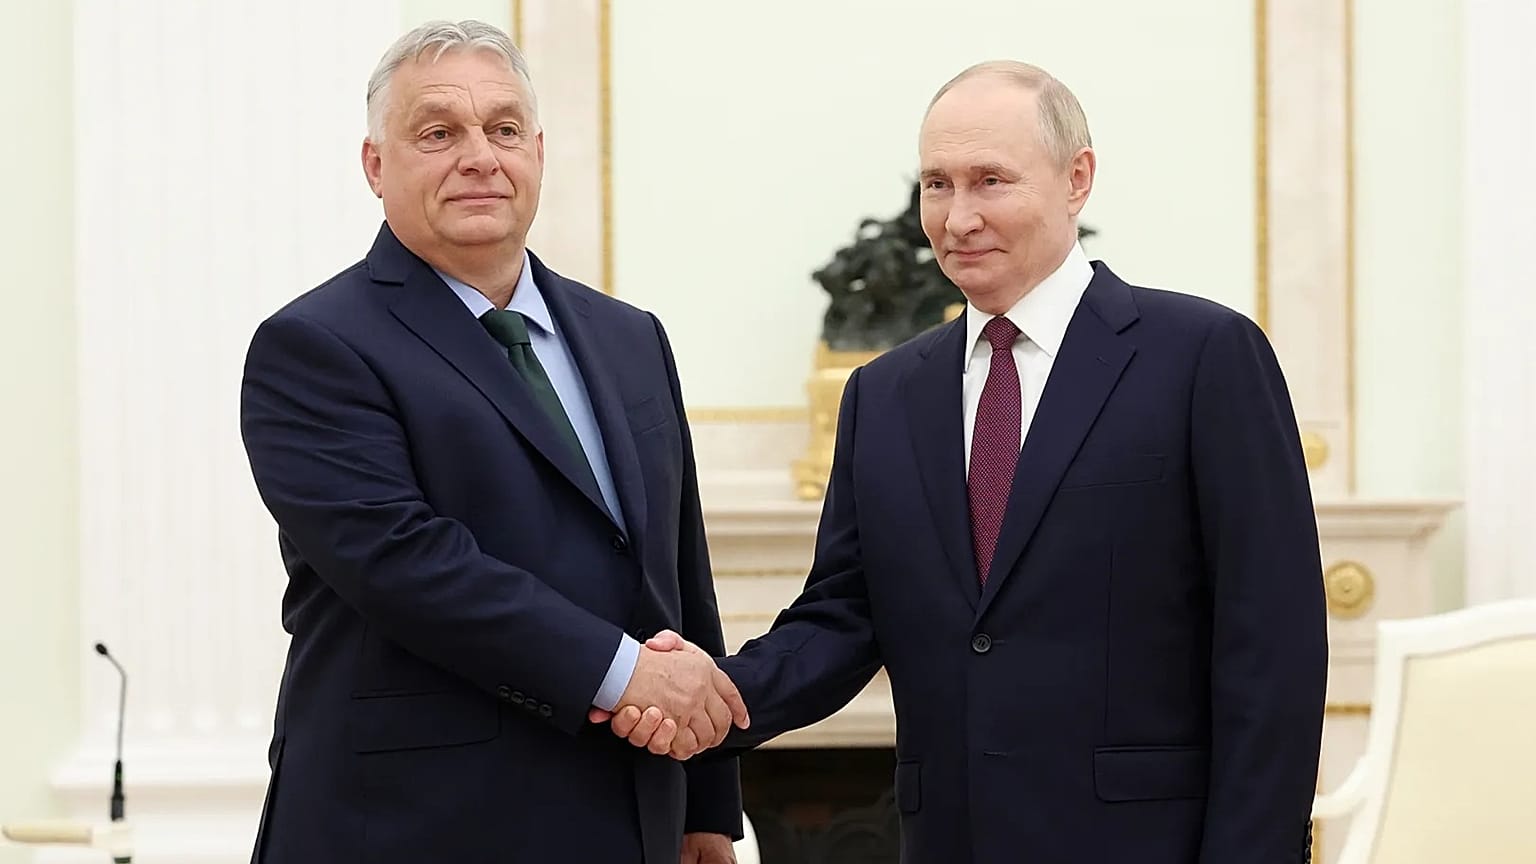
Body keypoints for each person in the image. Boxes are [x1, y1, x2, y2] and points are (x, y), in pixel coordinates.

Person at [597, 61, 1328, 864]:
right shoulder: (883, 394)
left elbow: (1274, 649)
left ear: (1077, 178)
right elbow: (843, 618)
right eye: (937, 185)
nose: (959, 216)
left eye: (990, 181)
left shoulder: (1204, 357)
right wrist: (716, 696)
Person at [238, 20, 747, 864]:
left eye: (503, 129)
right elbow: (409, 564)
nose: (480, 155)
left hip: (631, 818)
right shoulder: (315, 348)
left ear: (538, 152)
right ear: (375, 165)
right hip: (414, 825)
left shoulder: (631, 337)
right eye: (439, 133)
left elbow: (678, 571)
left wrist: (706, 803)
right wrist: (626, 673)